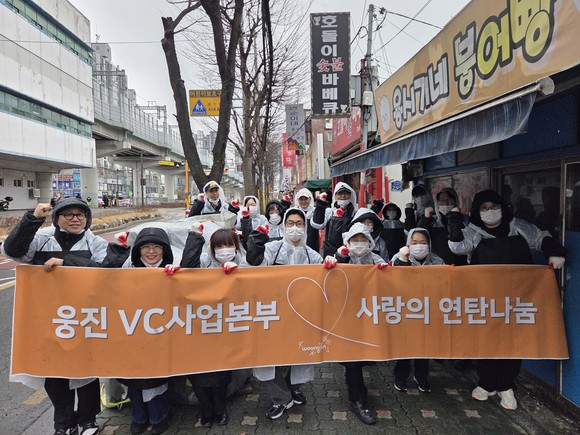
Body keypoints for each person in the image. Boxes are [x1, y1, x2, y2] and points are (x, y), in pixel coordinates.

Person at [447, 189, 566, 410]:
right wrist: (453, 221)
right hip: (486, 299)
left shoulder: (518, 227)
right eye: (484, 208)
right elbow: (458, 247)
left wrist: (554, 251)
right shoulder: (473, 232)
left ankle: (506, 385)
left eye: (494, 207)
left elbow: (541, 237)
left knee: (514, 341)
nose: (490, 211)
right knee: (485, 340)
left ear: (502, 207)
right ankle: (486, 383)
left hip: (518, 298)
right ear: (477, 211)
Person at [1, 197, 108, 435]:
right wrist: (32, 220)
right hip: (47, 319)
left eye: (80, 214)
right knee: (54, 374)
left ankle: (88, 421)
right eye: (68, 214)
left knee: (88, 372)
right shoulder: (41, 238)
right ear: (57, 218)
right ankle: (63, 424)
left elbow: (107, 269)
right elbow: (13, 251)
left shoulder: (95, 242)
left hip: (85, 318)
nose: (75, 219)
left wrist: (67, 262)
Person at [246, 208, 322, 419]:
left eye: (299, 223)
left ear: (305, 227)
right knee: (271, 358)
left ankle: (292, 389)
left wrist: (333, 263)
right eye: (290, 223)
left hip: (301, 317)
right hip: (273, 314)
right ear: (284, 225)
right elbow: (256, 266)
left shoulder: (312, 255)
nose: (294, 228)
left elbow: (324, 282)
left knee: (297, 356)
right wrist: (256, 243)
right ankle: (281, 397)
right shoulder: (272, 248)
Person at [179, 226, 247, 427]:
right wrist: (195, 237)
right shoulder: (204, 262)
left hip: (228, 326)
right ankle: (206, 407)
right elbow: (187, 267)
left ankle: (220, 407)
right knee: (197, 369)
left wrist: (237, 274)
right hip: (199, 325)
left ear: (236, 247)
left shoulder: (244, 263)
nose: (224, 250)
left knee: (222, 371)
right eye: (219, 246)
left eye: (228, 245)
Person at [325, 222, 389, 425]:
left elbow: (391, 282)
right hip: (347, 317)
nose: (359, 243)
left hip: (369, 316)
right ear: (348, 241)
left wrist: (386, 272)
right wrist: (337, 259)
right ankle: (358, 399)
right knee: (353, 360)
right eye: (355, 240)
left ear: (370, 242)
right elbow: (330, 278)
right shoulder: (341, 256)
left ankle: (356, 389)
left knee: (363, 355)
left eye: (363, 239)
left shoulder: (376, 259)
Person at [119, 228, 175, 434]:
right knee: (133, 378)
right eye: (146, 247)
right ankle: (139, 417)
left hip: (162, 336)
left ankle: (159, 416)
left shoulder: (174, 272)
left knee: (156, 379)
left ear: (164, 250)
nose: (151, 252)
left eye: (157, 247)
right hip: (132, 334)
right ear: (138, 250)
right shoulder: (126, 271)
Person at [390, 228, 445, 394]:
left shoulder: (437, 261)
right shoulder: (399, 257)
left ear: (429, 244)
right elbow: (392, 281)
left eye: (423, 242)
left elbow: (444, 285)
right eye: (414, 242)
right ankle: (401, 376)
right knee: (405, 345)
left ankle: (421, 376)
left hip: (428, 311)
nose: (419, 246)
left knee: (424, 345)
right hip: (405, 310)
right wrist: (402, 261)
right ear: (408, 243)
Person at [410, 188, 468, 265]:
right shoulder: (432, 220)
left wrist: (454, 218)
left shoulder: (463, 219)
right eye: (442, 200)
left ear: (455, 201)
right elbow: (420, 235)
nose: (445, 203)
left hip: (460, 264)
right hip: (437, 264)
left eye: (449, 200)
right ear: (437, 203)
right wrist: (426, 219)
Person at [311, 182, 358, 256]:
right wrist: (320, 205)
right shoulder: (330, 212)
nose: (343, 196)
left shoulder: (355, 213)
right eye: (340, 194)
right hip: (331, 253)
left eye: (346, 193)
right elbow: (317, 224)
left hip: (350, 251)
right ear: (335, 196)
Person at [294, 188, 319, 252]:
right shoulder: (294, 212)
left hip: (313, 246)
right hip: (297, 247)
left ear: (310, 199)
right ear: (297, 200)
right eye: (301, 199)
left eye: (306, 199)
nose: (303, 202)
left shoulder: (315, 212)